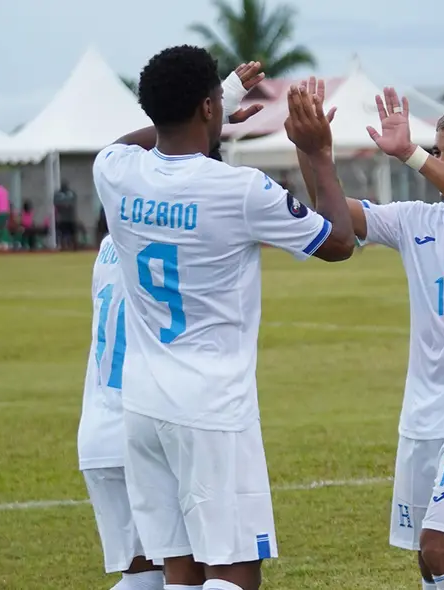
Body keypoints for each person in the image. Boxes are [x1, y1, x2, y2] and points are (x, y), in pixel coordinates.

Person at [93, 47, 355, 590]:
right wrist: (317, 152)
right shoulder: (239, 189)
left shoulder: (115, 173)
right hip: (211, 406)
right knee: (235, 573)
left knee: (182, 573)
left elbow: (126, 143)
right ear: (208, 108)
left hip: (142, 405)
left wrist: (218, 99)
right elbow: (339, 242)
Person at [297, 78, 444, 590]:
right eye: (438, 151)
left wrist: (410, 154)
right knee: (427, 559)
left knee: (442, 547)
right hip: (423, 415)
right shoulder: (413, 219)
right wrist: (314, 151)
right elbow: (333, 220)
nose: (442, 161)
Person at [79, 235, 164, 590]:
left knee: (145, 578)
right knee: (194, 571)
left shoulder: (108, 243)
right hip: (150, 425)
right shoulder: (176, 233)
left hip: (98, 428)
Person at [54, 180, 79, 251]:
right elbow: (56, 203)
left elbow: (73, 202)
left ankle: (73, 247)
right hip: (63, 218)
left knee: (72, 233)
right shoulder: (59, 194)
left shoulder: (70, 193)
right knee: (62, 234)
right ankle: (63, 247)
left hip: (70, 218)